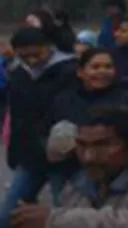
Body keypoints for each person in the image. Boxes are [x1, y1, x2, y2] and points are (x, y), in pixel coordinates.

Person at [10, 105, 128, 228]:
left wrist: (55, 220)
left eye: (103, 145)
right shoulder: (82, 182)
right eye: (82, 145)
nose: (89, 156)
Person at [0, 27, 78, 228]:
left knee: (67, 215)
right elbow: (17, 117)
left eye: (37, 54)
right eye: (25, 56)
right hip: (29, 158)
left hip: (61, 158)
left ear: (48, 47)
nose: (32, 61)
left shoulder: (70, 71)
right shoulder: (18, 74)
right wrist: (14, 151)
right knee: (8, 214)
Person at [45, 48, 128, 181]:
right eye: (95, 67)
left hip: (108, 170)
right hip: (64, 168)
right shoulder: (64, 99)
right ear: (80, 72)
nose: (102, 71)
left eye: (108, 67)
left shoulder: (127, 97)